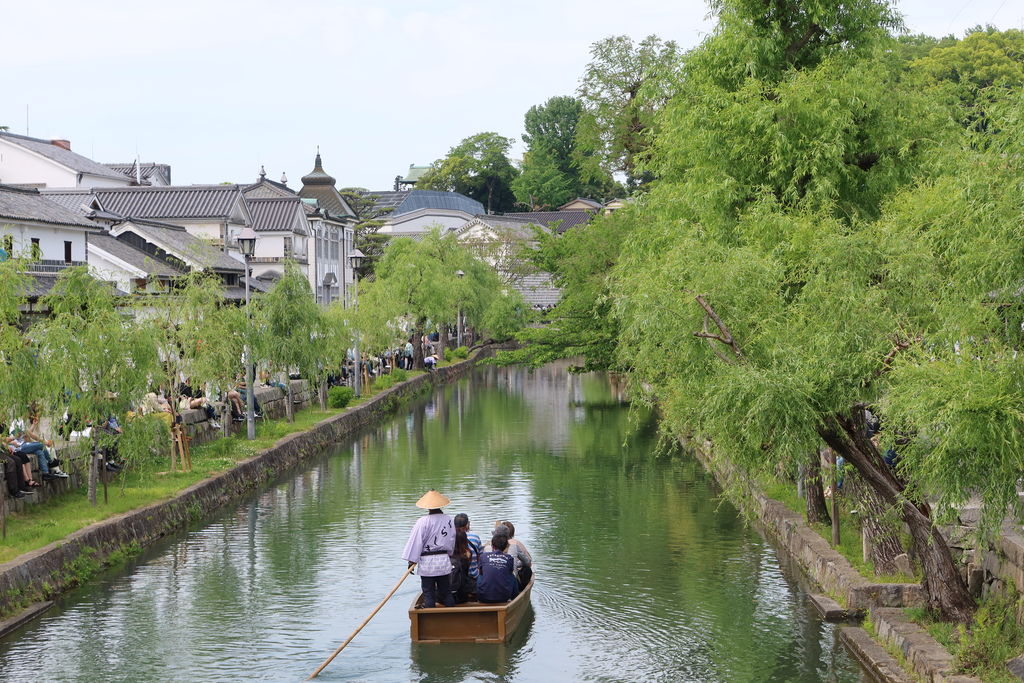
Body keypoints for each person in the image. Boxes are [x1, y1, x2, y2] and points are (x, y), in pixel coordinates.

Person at [402, 489, 456, 608]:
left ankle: (430, 619)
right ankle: (452, 616)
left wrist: (412, 560)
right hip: (443, 561)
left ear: (428, 508)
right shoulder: (449, 520)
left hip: (427, 563)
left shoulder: (422, 522)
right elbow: (452, 540)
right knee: (446, 592)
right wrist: (449, 554)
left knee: (428, 593)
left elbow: (416, 542)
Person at [477, 530, 518, 603]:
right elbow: (509, 573)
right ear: (506, 547)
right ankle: (515, 598)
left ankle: (479, 596)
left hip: (483, 596)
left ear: (492, 546)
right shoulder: (509, 558)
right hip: (504, 597)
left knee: (480, 574)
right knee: (512, 576)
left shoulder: (483, 556)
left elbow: (480, 572)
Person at [495, 520, 533, 587]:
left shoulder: (493, 544)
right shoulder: (515, 544)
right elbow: (529, 562)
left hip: (497, 579)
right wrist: (517, 565)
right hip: (510, 580)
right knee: (527, 570)